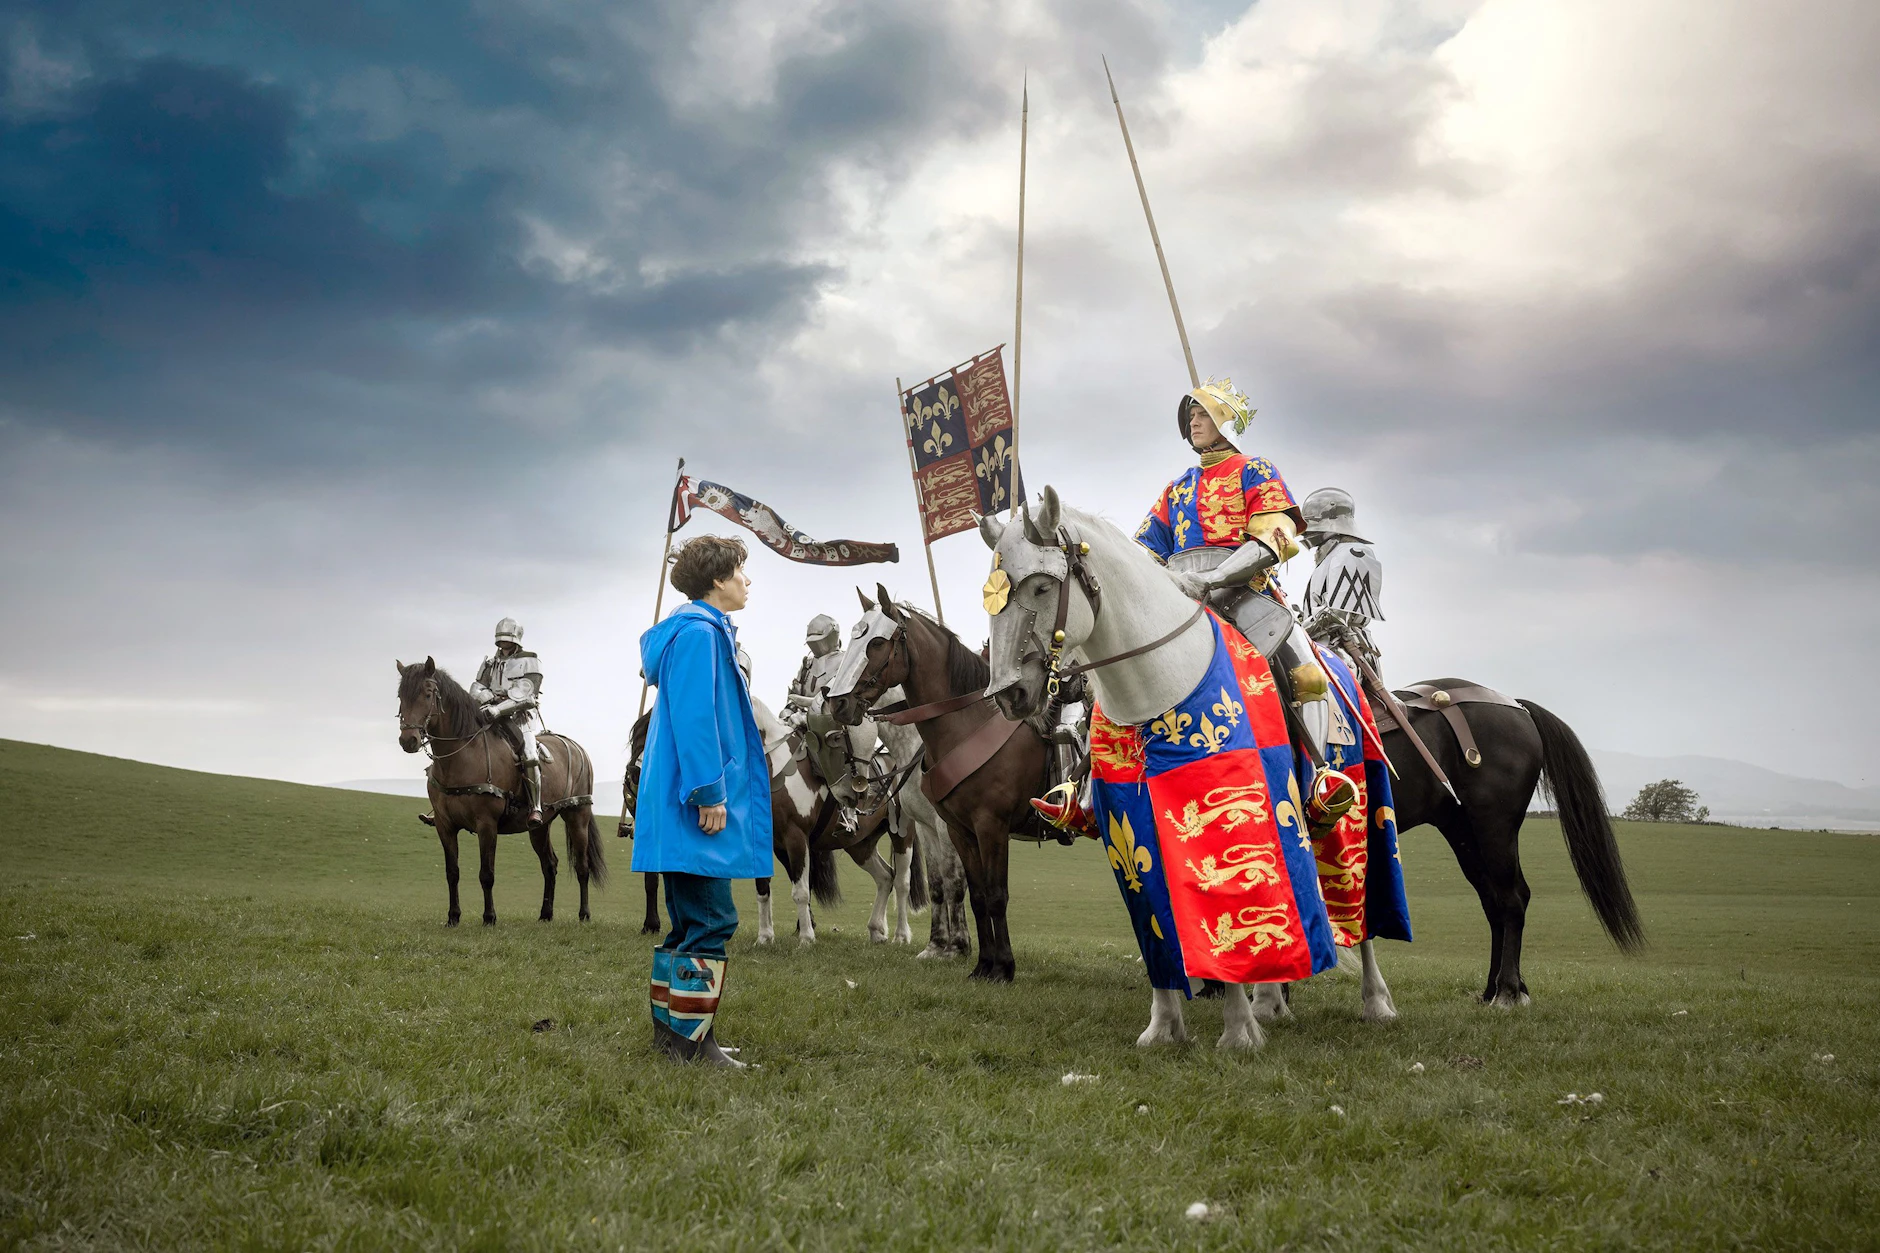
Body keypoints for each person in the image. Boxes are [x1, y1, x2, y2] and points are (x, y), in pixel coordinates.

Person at [630, 535, 773, 1067]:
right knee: (712, 921)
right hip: (693, 803)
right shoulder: (698, 635)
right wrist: (709, 793)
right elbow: (696, 719)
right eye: (740, 571)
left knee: (688, 923)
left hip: (679, 803)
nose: (746, 581)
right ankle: (693, 1045)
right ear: (717, 580)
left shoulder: (697, 631)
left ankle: (674, 1040)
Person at [784, 613, 881, 832]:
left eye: (818, 639)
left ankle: (849, 810)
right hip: (804, 722)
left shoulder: (845, 661)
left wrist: (809, 714)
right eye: (812, 641)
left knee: (839, 757)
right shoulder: (807, 665)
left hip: (835, 724)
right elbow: (796, 692)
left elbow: (840, 699)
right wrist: (788, 713)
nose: (815, 645)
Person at [1299, 487, 1385, 674]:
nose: (1306, 532)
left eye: (1313, 522)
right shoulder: (1329, 557)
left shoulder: (1353, 552)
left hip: (1344, 650)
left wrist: (1297, 632)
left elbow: (1337, 614)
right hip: (1317, 645)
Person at [470, 617, 546, 827]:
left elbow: (527, 695)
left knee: (530, 756)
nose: (503, 643)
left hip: (520, 716)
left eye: (507, 639)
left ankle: (536, 807)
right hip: (488, 711)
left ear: (515, 639)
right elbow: (476, 687)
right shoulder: (490, 663)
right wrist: (486, 698)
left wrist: (498, 709)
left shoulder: (530, 660)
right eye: (501, 639)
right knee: (463, 740)